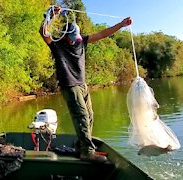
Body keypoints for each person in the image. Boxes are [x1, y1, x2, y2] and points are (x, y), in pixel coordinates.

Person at [39, 6, 132, 162]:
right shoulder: (57, 44)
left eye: (77, 37)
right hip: (70, 85)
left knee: (89, 116)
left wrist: (121, 25)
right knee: (81, 115)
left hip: (82, 85)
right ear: (66, 35)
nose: (76, 40)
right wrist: (52, 15)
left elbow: (103, 34)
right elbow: (44, 32)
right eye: (73, 37)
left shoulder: (82, 42)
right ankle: (87, 152)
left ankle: (80, 145)